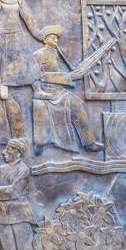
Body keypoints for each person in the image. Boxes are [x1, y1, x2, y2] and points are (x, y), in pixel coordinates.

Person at [32, 25, 104, 154]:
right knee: (40, 108)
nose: (56, 40)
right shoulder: (38, 54)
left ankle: (89, 142)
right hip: (46, 92)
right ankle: (39, 143)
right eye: (52, 37)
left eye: (57, 38)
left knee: (78, 104)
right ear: (45, 40)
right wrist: (69, 77)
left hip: (60, 92)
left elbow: (60, 72)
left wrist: (71, 75)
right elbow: (35, 76)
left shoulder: (56, 53)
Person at [0, 138, 37, 250]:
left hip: (19, 210)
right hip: (2, 209)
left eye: (9, 149)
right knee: (7, 246)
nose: (3, 152)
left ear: (18, 152)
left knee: (24, 248)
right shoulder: (1, 168)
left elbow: (13, 190)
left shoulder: (24, 170)